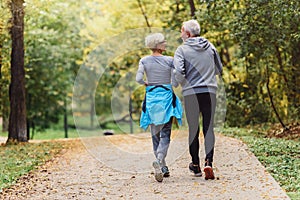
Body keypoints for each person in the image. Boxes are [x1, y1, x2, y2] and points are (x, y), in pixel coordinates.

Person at [173, 20, 223, 180]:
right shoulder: (211, 47)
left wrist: (180, 82)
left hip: (191, 93)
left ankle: (195, 165)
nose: (180, 34)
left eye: (182, 31)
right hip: (209, 91)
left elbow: (179, 72)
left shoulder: (182, 50)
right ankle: (209, 161)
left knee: (194, 128)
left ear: (188, 34)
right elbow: (219, 69)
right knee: (208, 127)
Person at [136, 33, 183, 182]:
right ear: (158, 45)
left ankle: (161, 164)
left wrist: (146, 84)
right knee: (166, 134)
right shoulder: (170, 61)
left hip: (151, 99)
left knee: (155, 134)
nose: (166, 43)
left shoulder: (144, 60)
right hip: (166, 100)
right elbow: (175, 83)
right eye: (163, 41)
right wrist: (172, 79)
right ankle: (161, 159)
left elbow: (138, 79)